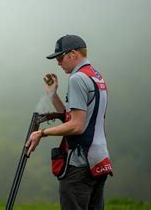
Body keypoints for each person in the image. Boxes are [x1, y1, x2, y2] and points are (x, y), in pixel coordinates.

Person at [25, 34, 113, 210]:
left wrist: (41, 133)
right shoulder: (95, 75)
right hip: (99, 158)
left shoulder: (77, 79)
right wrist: (53, 94)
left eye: (60, 57)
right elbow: (72, 118)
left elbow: (76, 126)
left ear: (73, 54)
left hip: (80, 164)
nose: (58, 63)